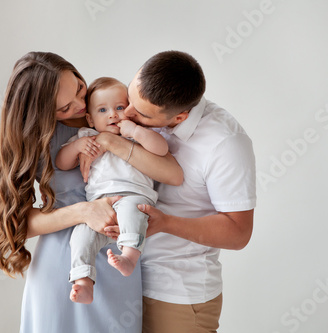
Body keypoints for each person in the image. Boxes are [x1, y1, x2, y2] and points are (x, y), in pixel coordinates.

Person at [0, 52, 183, 333]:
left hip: (121, 255)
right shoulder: (39, 138)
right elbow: (17, 223)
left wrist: (106, 140)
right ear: (45, 111)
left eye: (78, 87)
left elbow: (173, 174)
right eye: (64, 108)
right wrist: (83, 211)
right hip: (64, 263)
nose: (79, 105)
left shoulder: (117, 112)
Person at [86, 51, 256, 333]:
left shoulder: (225, 144)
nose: (126, 114)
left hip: (175, 293)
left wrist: (166, 223)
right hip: (123, 282)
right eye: (131, 97)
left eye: (140, 114)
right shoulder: (140, 110)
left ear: (179, 116)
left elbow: (239, 233)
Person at [55, 77, 171, 304]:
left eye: (119, 107)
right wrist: (77, 147)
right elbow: (61, 163)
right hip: (99, 207)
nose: (112, 115)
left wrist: (136, 131)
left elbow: (162, 148)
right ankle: (83, 280)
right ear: (89, 118)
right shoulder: (86, 137)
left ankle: (129, 256)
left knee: (131, 210)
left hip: (134, 195)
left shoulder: (136, 134)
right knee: (80, 235)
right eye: (102, 110)